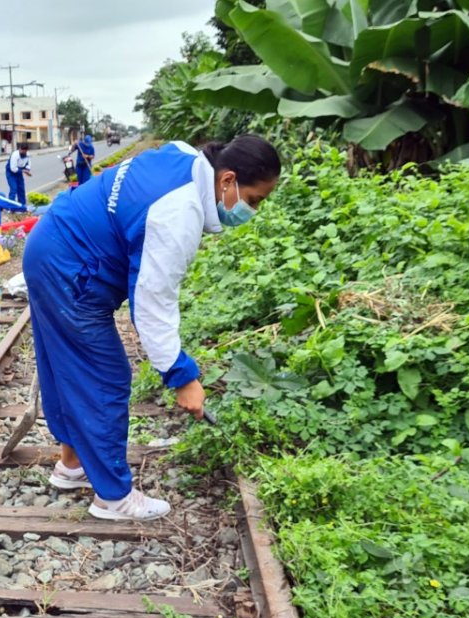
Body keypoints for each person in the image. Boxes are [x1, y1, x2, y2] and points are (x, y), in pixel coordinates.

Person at [24, 136, 281, 521]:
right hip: (69, 267)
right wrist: (181, 375)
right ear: (227, 180)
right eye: (254, 199)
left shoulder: (182, 156)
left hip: (52, 244)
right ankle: (114, 498)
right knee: (104, 377)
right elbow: (151, 303)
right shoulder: (178, 213)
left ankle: (72, 465)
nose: (252, 210)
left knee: (66, 366)